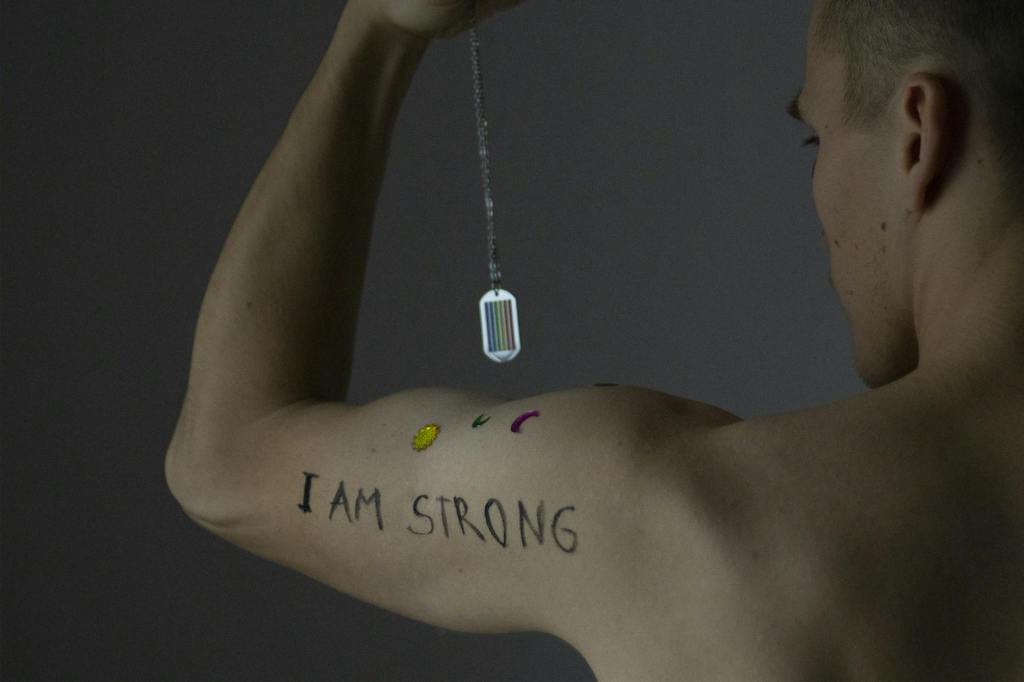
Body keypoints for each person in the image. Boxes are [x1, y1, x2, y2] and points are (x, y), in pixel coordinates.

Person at [164, 0, 1024, 679]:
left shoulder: (679, 513)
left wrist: (377, 32)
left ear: (917, 133)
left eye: (816, 135)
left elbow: (226, 459)